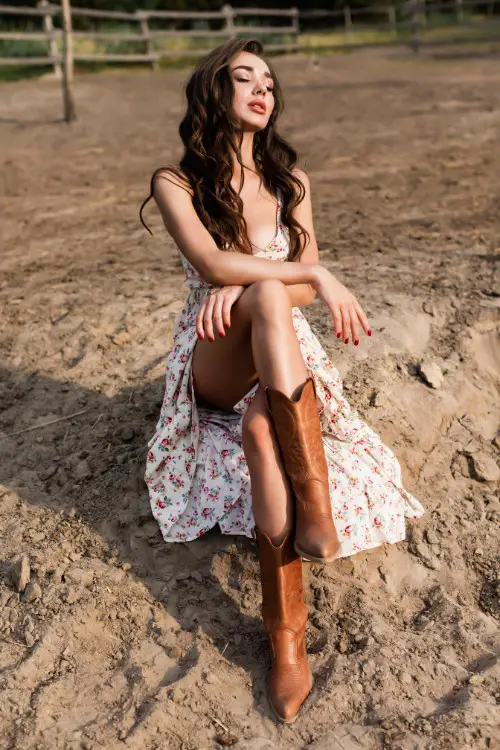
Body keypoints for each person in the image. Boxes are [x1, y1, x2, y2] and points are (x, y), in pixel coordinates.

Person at [140, 37, 425, 724]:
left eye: (269, 79)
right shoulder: (175, 183)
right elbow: (212, 263)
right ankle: (314, 500)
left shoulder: (292, 182)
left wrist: (271, 284)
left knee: (265, 424)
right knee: (265, 297)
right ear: (215, 92)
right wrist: (308, 274)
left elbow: (286, 297)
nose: (262, 89)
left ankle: (286, 641)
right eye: (244, 78)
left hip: (282, 350)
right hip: (216, 355)